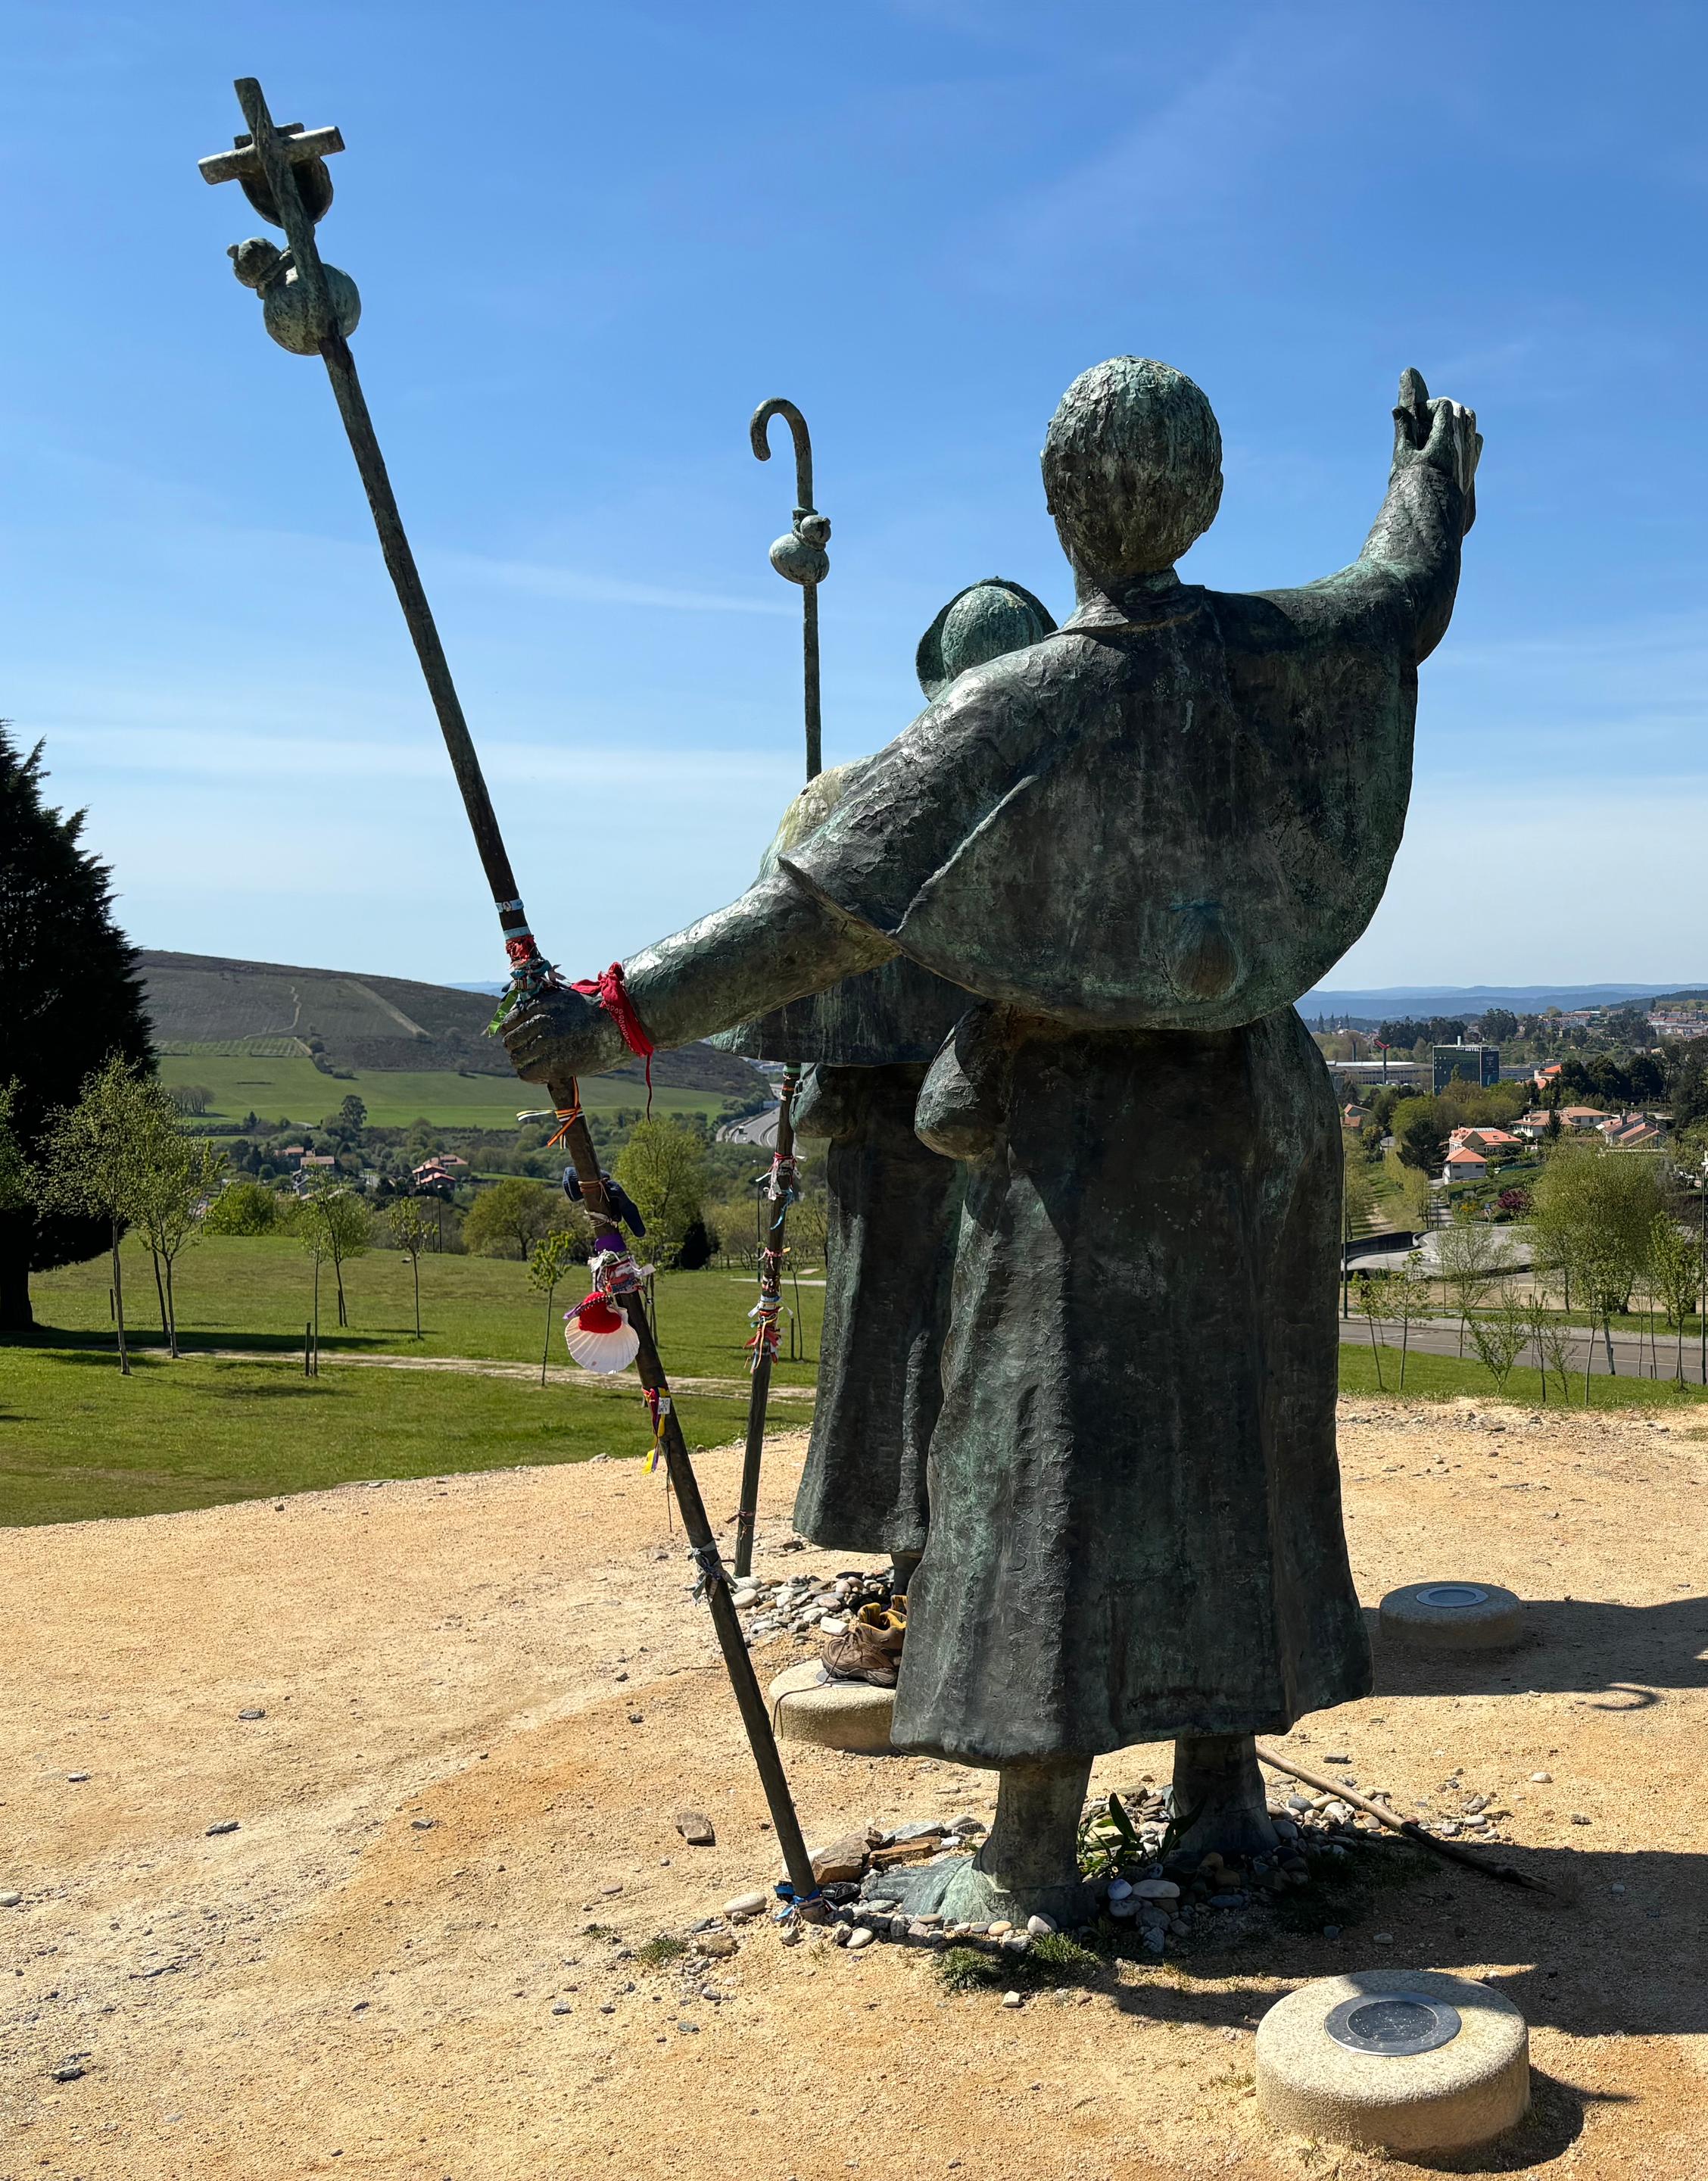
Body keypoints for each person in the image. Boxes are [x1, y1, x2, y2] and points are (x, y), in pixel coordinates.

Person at [503, 357, 1479, 1914]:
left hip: (1080, 1142)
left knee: (1052, 1466)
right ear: (1211, 497)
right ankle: (1221, 1799)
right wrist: (1429, 477)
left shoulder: (1019, 702)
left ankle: (1034, 1855)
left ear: (1055, 509)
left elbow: (800, 921)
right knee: (1234, 1446)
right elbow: (1400, 593)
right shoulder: (1268, 646)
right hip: (1255, 1116)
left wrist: (610, 1015)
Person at [722, 579, 1057, 1640]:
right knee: (972, 1351)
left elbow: (778, 1010)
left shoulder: (847, 800)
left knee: (918, 1350)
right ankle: (951, 1568)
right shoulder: (1068, 809)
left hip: (906, 1131)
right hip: (1010, 1125)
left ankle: (936, 1563)